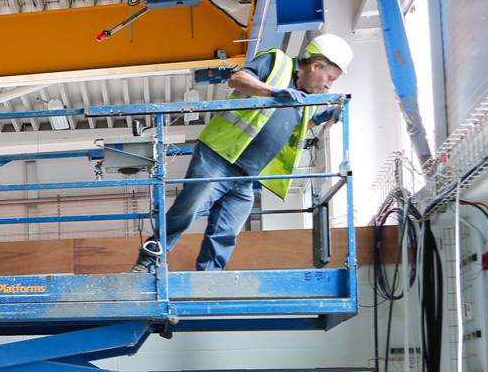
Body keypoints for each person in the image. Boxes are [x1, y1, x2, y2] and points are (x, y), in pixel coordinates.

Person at [132, 33, 353, 273]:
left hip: (247, 177)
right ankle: (148, 261)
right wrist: (272, 92)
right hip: (219, 157)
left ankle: (209, 279)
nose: (329, 85)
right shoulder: (277, 63)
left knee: (226, 234)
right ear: (316, 65)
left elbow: (287, 129)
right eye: (329, 78)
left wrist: (319, 118)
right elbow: (237, 79)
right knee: (187, 209)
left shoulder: (305, 100)